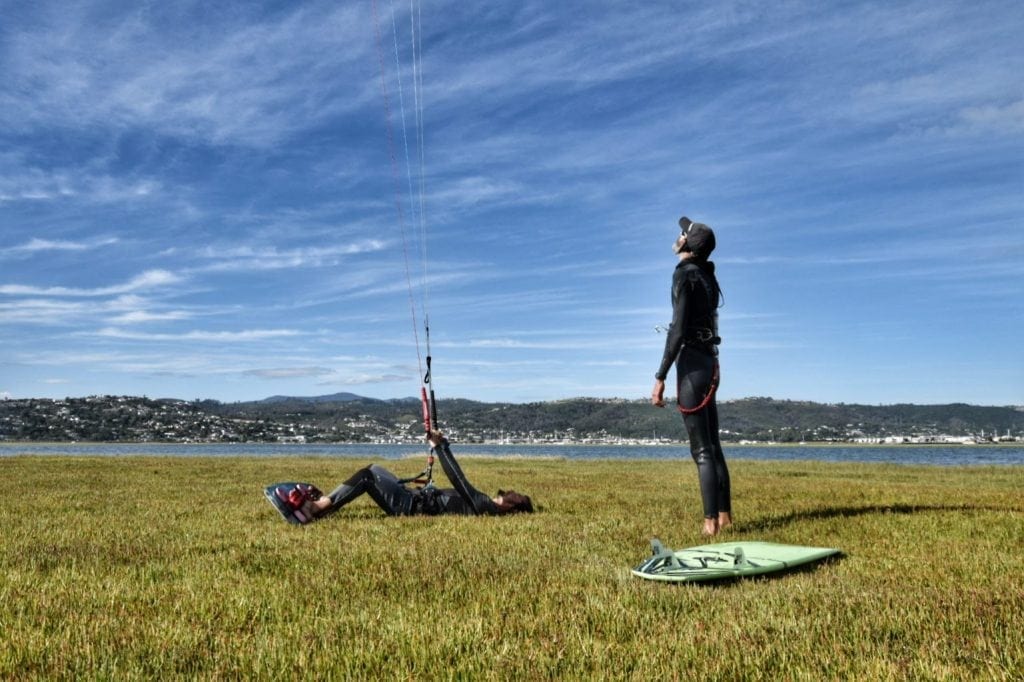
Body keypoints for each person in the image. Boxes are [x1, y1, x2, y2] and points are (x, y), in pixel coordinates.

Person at [651, 216, 732, 536]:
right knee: (713, 446)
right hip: (710, 361)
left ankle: (710, 524)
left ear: (689, 243)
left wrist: (660, 376)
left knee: (701, 450)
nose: (678, 235)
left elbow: (678, 329)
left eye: (683, 233)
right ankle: (725, 516)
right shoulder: (707, 277)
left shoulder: (685, 275)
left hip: (693, 366)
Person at [273, 430, 533, 522]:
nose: (504, 493)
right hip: (414, 497)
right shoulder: (485, 507)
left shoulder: (486, 507)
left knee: (366, 476)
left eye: (509, 496)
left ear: (511, 504)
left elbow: (458, 479)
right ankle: (329, 502)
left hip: (409, 507)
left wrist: (440, 447)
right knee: (375, 468)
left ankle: (316, 508)